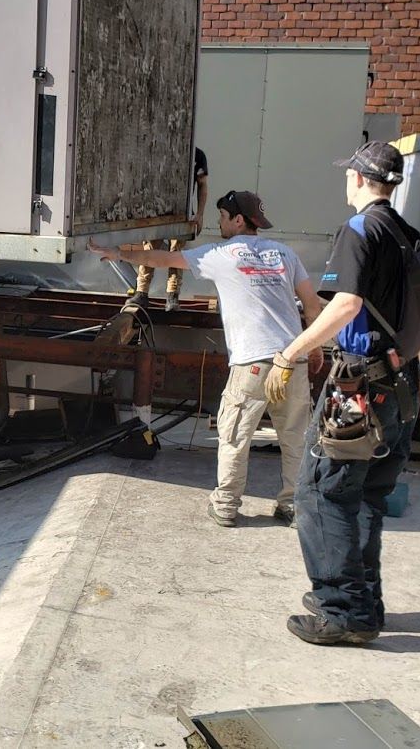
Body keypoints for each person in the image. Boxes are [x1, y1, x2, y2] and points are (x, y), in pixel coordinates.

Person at [266, 141, 420, 646]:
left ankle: (342, 610)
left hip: (358, 388)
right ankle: (366, 602)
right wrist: (403, 362)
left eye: (349, 176)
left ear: (361, 179)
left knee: (320, 494)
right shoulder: (411, 236)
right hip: (402, 387)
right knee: (366, 497)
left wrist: (289, 353)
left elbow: (345, 304)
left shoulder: (360, 230)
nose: (346, 182)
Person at [90, 190, 323, 527]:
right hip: (293, 359)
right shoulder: (285, 253)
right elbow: (312, 306)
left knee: (234, 435)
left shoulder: (221, 254)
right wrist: (313, 347)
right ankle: (293, 507)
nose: (219, 223)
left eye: (224, 217)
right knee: (295, 437)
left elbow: (162, 259)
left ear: (238, 220)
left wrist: (116, 253)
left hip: (253, 364)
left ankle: (227, 506)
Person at [130, 147, 209, 310]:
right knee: (149, 250)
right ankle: (142, 293)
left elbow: (202, 185)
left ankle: (172, 295)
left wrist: (200, 214)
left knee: (177, 254)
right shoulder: (155, 149)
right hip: (156, 212)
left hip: (182, 214)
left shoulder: (197, 155)